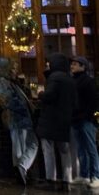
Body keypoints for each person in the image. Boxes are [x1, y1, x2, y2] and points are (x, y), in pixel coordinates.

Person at [37, 53, 76, 191]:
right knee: (64, 151)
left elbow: (49, 96)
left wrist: (40, 94)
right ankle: (67, 180)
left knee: (48, 150)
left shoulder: (54, 78)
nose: (47, 65)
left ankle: (51, 179)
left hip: (50, 120)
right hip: (65, 120)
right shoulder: (70, 79)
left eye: (49, 63)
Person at [0, 58, 38, 185]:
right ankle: (22, 167)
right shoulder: (4, 83)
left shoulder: (12, 83)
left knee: (21, 147)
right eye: (13, 68)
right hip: (18, 119)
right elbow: (9, 101)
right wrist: (25, 108)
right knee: (28, 145)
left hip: (20, 119)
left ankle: (21, 172)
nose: (15, 71)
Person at [71, 56, 99, 187]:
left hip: (86, 120)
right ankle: (84, 175)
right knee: (81, 149)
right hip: (76, 119)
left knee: (90, 148)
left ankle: (96, 176)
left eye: (75, 64)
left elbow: (93, 100)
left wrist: (87, 116)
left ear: (83, 67)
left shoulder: (88, 81)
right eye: (72, 64)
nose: (72, 66)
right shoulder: (73, 80)